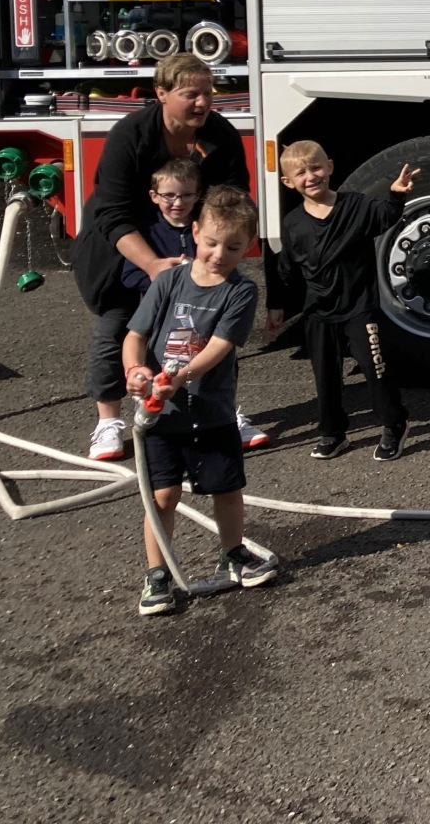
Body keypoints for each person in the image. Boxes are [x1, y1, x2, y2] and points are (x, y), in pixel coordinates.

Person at [75, 52, 253, 463]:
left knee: (202, 330)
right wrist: (153, 265)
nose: (203, 103)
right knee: (117, 326)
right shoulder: (131, 135)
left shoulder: (219, 134)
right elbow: (112, 213)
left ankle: (220, 414)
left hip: (191, 242)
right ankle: (108, 421)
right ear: (161, 93)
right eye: (191, 94)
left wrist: (214, 255)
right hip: (124, 245)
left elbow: (232, 200)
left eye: (208, 93)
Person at [123, 186, 275, 616]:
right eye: (210, 243)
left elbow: (220, 345)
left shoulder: (240, 292)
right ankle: (157, 575)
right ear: (194, 233)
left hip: (212, 411)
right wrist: (137, 372)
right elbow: (135, 336)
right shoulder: (169, 280)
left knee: (227, 488)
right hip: (159, 415)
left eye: (232, 246)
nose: (218, 254)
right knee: (163, 495)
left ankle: (233, 554)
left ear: (248, 246)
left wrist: (180, 375)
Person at [270, 140, 414, 461]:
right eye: (301, 172)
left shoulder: (357, 206)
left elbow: (386, 215)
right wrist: (276, 306)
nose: (311, 176)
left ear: (331, 167)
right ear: (288, 182)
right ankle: (333, 433)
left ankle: (394, 425)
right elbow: (287, 267)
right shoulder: (293, 222)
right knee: (326, 377)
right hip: (318, 312)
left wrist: (396, 194)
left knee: (375, 369)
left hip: (360, 308)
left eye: (317, 167)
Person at [119, 157, 199, 293]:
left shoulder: (205, 228)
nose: (178, 203)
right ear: (154, 196)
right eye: (169, 195)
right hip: (161, 306)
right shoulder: (146, 232)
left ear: (197, 195)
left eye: (187, 195)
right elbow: (130, 276)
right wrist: (165, 282)